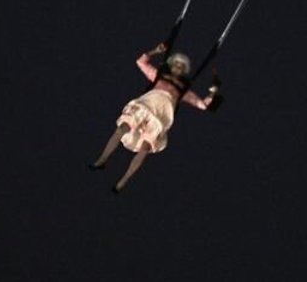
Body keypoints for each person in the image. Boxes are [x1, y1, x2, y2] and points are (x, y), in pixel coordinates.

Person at [89, 42, 222, 192]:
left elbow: (203, 105)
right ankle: (102, 160)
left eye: (181, 66)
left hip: (161, 116)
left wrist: (213, 92)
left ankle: (123, 181)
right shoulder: (158, 75)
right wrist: (156, 50)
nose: (178, 67)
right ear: (171, 65)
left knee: (145, 147)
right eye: (176, 64)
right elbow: (140, 62)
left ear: (184, 71)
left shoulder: (183, 91)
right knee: (122, 128)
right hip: (145, 106)